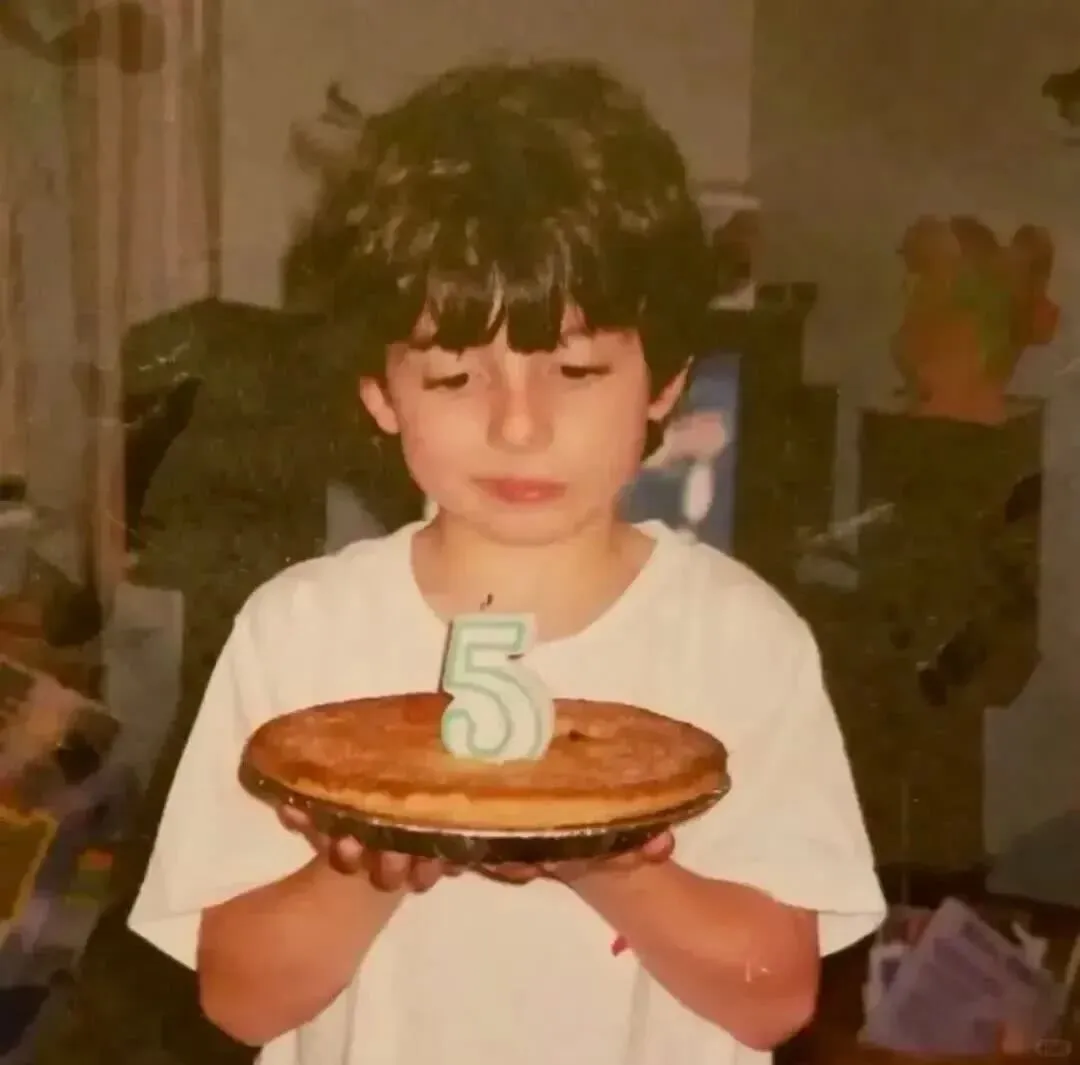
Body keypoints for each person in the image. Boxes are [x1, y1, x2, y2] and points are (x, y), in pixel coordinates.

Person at [128, 59, 885, 1065]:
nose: (518, 426)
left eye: (576, 369)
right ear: (379, 391)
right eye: (453, 376)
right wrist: (369, 863)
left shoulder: (741, 640)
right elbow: (237, 1000)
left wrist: (605, 854)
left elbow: (775, 998)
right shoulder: (299, 632)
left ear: (664, 383)